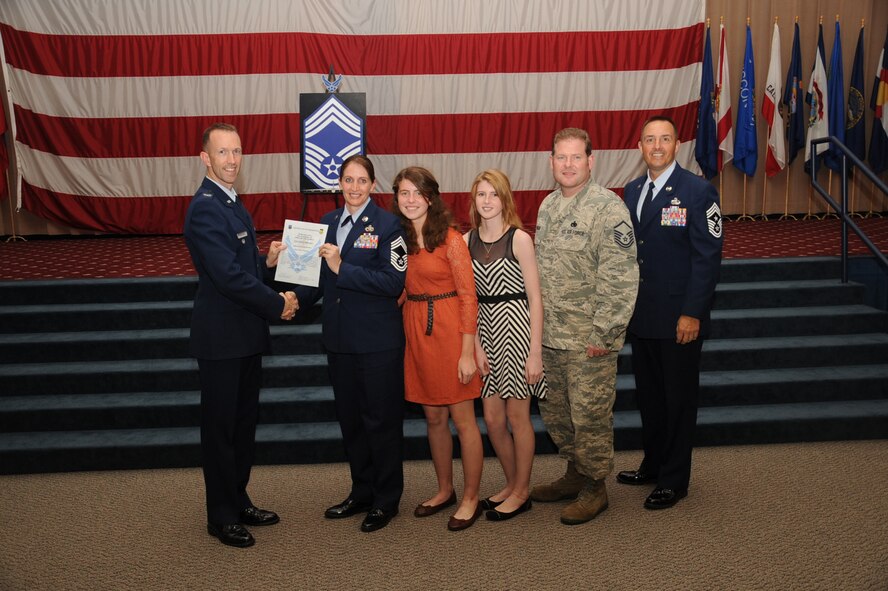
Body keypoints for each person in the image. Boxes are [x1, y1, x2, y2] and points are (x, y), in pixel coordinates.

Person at [183, 122, 298, 548]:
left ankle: (238, 497)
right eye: (223, 152)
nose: (232, 160)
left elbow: (241, 263)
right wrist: (277, 303)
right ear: (205, 159)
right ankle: (221, 515)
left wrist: (266, 262)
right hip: (222, 339)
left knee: (243, 425)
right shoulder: (205, 207)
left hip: (244, 335)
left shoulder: (231, 202)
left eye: (237, 151)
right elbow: (228, 278)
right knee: (221, 430)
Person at [289, 154, 408, 533]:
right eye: (348, 180)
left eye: (362, 180)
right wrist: (288, 297)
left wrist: (345, 267)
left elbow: (394, 283)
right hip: (339, 340)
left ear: (373, 185)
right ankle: (362, 491)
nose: (354, 187)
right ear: (339, 184)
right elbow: (316, 281)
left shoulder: (391, 226)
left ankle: (386, 499)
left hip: (377, 342)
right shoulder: (325, 223)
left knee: (381, 422)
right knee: (352, 421)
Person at [530, 127, 639, 525]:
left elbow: (621, 277)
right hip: (551, 338)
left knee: (590, 416)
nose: (569, 165)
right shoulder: (547, 207)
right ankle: (575, 473)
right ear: (551, 162)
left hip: (588, 340)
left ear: (591, 161)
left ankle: (596, 486)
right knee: (557, 413)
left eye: (577, 157)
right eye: (562, 157)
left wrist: (605, 336)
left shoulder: (609, 209)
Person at [617, 115, 723, 510]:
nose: (656, 146)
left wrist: (693, 312)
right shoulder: (631, 191)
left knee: (678, 400)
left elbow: (707, 258)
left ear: (677, 145)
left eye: (664, 139)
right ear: (640, 147)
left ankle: (675, 479)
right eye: (649, 139)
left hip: (680, 317)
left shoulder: (698, 192)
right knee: (650, 398)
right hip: (642, 316)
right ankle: (654, 463)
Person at [392, 166, 485, 532]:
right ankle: (445, 489)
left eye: (418, 192)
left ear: (431, 197)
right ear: (396, 198)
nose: (411, 200)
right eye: (403, 192)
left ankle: (471, 497)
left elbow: (467, 297)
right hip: (415, 330)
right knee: (433, 418)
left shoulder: (451, 239)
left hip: (449, 331)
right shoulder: (396, 239)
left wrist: (467, 351)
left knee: (464, 422)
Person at [463, 169, 547, 521]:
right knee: (493, 420)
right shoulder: (465, 240)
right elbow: (468, 299)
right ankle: (513, 484)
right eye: (481, 194)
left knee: (517, 417)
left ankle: (523, 491)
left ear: (505, 199)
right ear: (474, 200)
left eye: (493, 194)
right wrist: (476, 346)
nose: (487, 201)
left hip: (518, 331)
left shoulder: (519, 240)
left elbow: (536, 299)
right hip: (485, 334)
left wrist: (536, 351)